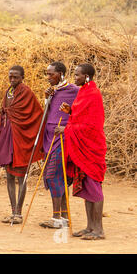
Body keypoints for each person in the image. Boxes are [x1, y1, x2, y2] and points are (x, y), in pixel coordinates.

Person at [55, 63, 107, 240]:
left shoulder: (93, 94)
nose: (75, 77)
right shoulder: (84, 91)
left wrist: (66, 130)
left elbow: (92, 124)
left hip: (91, 147)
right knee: (87, 189)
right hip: (82, 145)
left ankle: (99, 230)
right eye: (74, 74)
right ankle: (90, 226)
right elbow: (80, 115)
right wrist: (70, 111)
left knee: (94, 188)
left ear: (87, 76)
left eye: (78, 75)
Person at [0, 65, 44, 224]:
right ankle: (13, 211)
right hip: (8, 137)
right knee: (9, 175)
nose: (12, 80)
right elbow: (5, 112)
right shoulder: (8, 92)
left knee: (22, 177)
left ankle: (19, 213)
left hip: (22, 139)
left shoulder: (26, 92)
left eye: (15, 77)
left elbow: (37, 114)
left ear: (22, 77)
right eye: (10, 77)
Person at [39, 62, 79, 229]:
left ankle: (57, 219)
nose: (48, 78)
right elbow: (48, 114)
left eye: (51, 74)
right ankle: (64, 218)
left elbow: (81, 113)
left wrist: (66, 128)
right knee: (58, 178)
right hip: (49, 137)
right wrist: (47, 98)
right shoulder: (53, 92)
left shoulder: (74, 91)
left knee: (54, 176)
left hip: (62, 138)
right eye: (47, 74)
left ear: (61, 73)